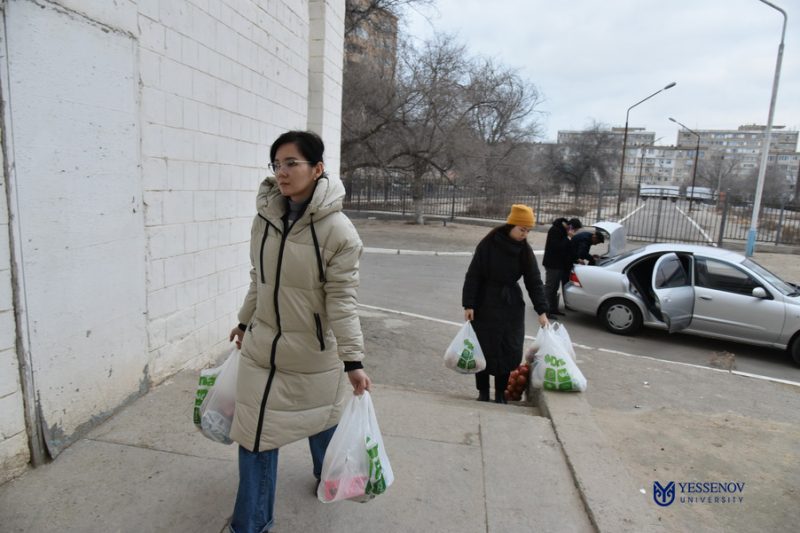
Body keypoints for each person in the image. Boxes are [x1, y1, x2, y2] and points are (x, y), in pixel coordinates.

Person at [227, 130, 371, 533]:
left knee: (321, 421)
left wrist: (353, 361)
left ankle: (330, 475)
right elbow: (259, 279)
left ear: (318, 168)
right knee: (255, 436)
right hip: (262, 350)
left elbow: (342, 300)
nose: (282, 172)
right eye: (277, 164)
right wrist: (244, 321)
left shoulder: (339, 232)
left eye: (292, 163)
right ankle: (250, 526)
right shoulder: (265, 219)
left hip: (312, 354)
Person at [462, 204, 549, 404]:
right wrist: (469, 304)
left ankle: (501, 394)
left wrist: (542, 311)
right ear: (511, 225)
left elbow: (534, 281)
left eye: (528, 231)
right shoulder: (488, 244)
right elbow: (474, 275)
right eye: (522, 229)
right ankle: (483, 392)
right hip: (485, 303)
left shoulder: (524, 250)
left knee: (507, 348)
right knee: (483, 348)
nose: (525, 234)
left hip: (511, 305)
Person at [542, 217, 582, 318]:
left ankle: (553, 309)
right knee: (550, 287)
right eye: (575, 230)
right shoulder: (555, 230)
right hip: (552, 264)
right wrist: (568, 237)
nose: (575, 232)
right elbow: (557, 247)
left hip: (559, 264)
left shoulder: (564, 231)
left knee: (554, 288)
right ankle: (545, 311)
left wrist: (576, 258)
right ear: (571, 227)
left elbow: (567, 249)